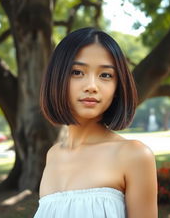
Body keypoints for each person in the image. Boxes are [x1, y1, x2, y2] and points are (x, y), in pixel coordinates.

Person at [34, 27, 158, 218]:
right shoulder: (53, 155)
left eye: (105, 75)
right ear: (57, 79)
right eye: (77, 72)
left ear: (117, 87)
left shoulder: (134, 155)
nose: (91, 86)